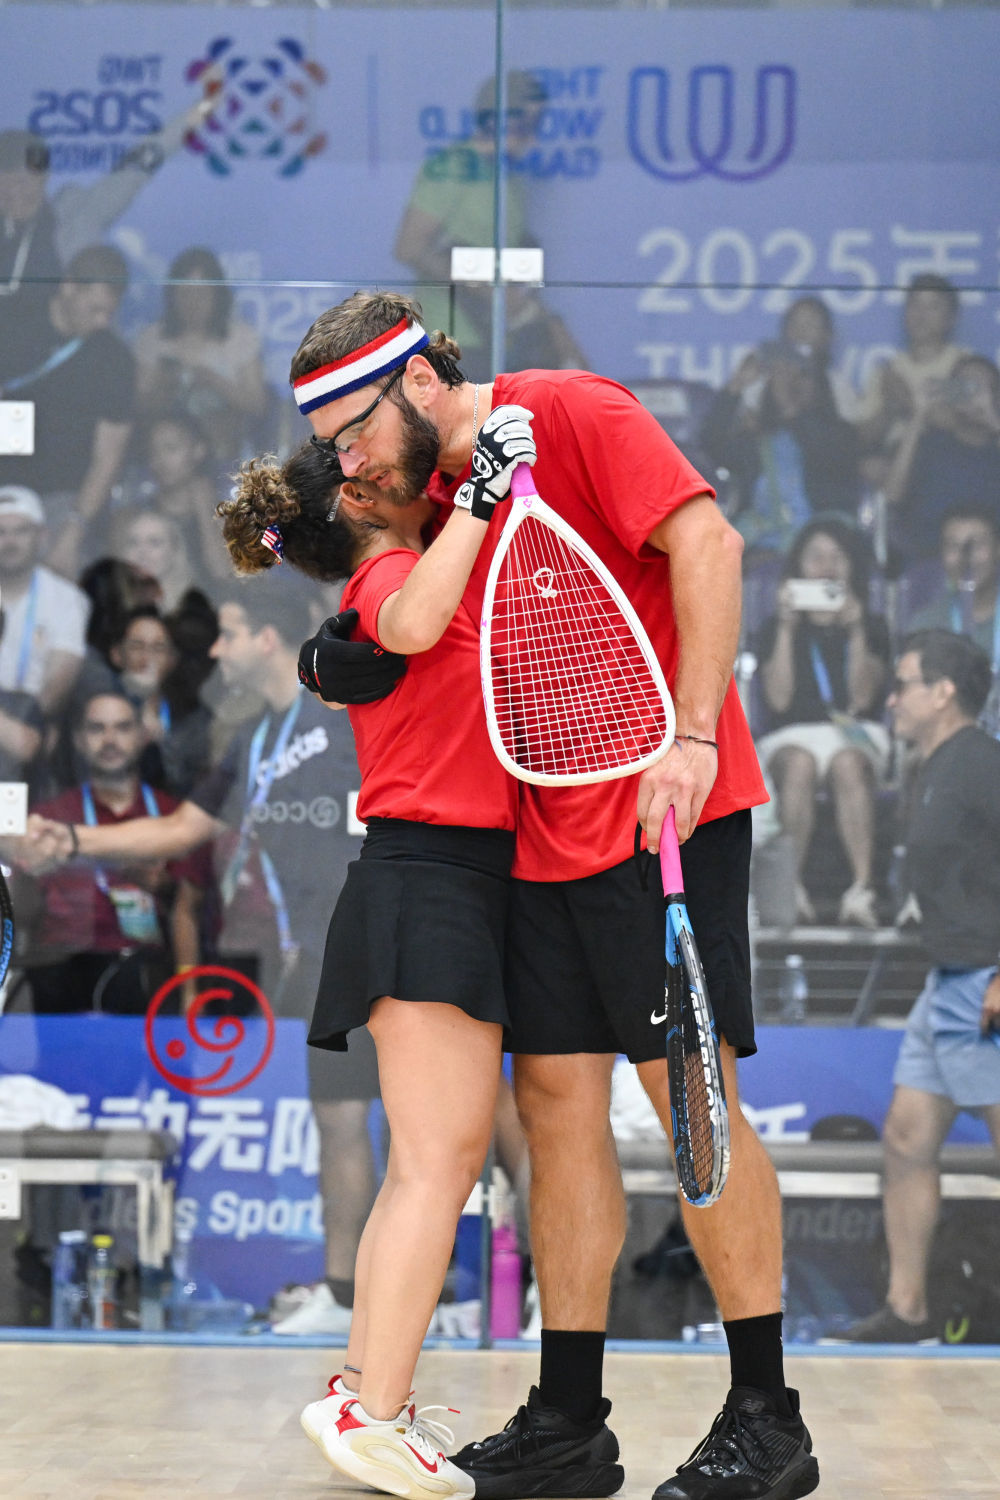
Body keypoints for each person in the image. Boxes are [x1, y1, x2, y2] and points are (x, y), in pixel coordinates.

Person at [286, 291, 817, 1500]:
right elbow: (391, 608)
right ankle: (569, 1421)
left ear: (421, 382)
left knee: (692, 1105)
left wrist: (691, 738)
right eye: (330, 445)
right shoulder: (435, 502)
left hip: (660, 812)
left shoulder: (571, 411)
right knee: (557, 1110)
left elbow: (710, 547)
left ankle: (767, 1417)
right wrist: (333, 646)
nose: (347, 459)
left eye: (354, 430)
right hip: (534, 840)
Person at [213, 389, 535, 1492]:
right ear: (356, 501)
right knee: (438, 1168)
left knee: (428, 1166)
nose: (379, 460)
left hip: (436, 881)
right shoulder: (389, 576)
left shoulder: (405, 560)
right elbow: (409, 623)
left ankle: (362, 1392)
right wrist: (483, 496)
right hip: (430, 881)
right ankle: (376, 1411)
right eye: (359, 458)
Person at [17, 575, 385, 1350]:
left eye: (229, 632)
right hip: (325, 960)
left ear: (267, 639)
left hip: (390, 940)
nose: (215, 649)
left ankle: (485, 1297)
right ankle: (347, 1296)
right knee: (340, 1123)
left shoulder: (348, 713)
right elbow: (182, 826)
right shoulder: (254, 741)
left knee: (458, 1122)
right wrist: (73, 841)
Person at [836, 630, 1000, 1343]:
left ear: (944, 692)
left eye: (903, 684)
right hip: (950, 979)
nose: (892, 698)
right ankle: (907, 1310)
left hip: (988, 980)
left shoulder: (981, 764)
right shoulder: (932, 766)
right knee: (906, 1139)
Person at [9, 689, 208, 1014]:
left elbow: (194, 911)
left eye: (123, 727)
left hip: (149, 976)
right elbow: (20, 912)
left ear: (143, 736)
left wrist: (163, 887)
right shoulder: (49, 818)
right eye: (97, 728)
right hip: (62, 974)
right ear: (78, 739)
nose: (110, 739)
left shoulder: (175, 819)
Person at [394, 71, 586, 383]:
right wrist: (487, 292)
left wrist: (548, 326)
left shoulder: (508, 177)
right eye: (526, 124)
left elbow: (511, 273)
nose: (533, 137)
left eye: (538, 124)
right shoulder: (453, 166)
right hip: (449, 338)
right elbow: (409, 247)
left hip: (495, 336)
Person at [756, 517, 891, 928]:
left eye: (837, 557)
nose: (827, 567)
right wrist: (785, 628)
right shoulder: (773, 627)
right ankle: (790, 888)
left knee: (848, 763)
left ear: (852, 567)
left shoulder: (872, 626)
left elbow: (862, 699)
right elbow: (778, 699)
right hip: (792, 736)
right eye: (815, 557)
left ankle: (862, 890)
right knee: (798, 761)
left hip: (855, 734)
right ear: (797, 567)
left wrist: (856, 632)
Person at [0, 244, 135, 577]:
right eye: (95, 309)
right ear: (69, 286)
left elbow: (108, 457)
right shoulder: (11, 324)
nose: (102, 322)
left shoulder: (114, 360)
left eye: (109, 313)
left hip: (65, 500)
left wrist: (72, 534)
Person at [701, 335, 859, 558]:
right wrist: (736, 386)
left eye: (801, 374)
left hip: (823, 545)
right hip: (764, 550)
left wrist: (790, 409)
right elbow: (712, 445)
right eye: (782, 373)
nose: (791, 381)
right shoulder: (756, 441)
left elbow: (826, 453)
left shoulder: (840, 434)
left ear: (819, 384)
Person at [134, 245, 267, 465]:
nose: (193, 302)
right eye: (185, 293)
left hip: (226, 452)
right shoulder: (152, 339)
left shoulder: (241, 337)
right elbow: (138, 408)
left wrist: (214, 382)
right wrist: (166, 384)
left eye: (202, 294)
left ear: (218, 296)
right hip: (165, 459)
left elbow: (257, 405)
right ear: (172, 296)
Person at [881, 355, 1000, 565]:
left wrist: (992, 417)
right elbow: (891, 496)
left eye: (979, 387)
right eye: (963, 385)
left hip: (990, 562)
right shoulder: (929, 443)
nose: (971, 393)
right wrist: (919, 413)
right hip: (927, 558)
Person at [855, 272, 968, 476]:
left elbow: (958, 426)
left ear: (951, 318)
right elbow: (863, 437)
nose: (921, 316)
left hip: (946, 462)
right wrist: (889, 409)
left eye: (933, 306)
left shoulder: (963, 366)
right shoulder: (887, 371)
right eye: (914, 305)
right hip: (893, 462)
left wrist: (905, 400)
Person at [0, 485, 90, 717]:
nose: (10, 542)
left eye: (21, 531)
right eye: (1, 532)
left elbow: (56, 688)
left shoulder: (67, 600)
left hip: (32, 720)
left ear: (42, 537)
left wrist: (23, 727)